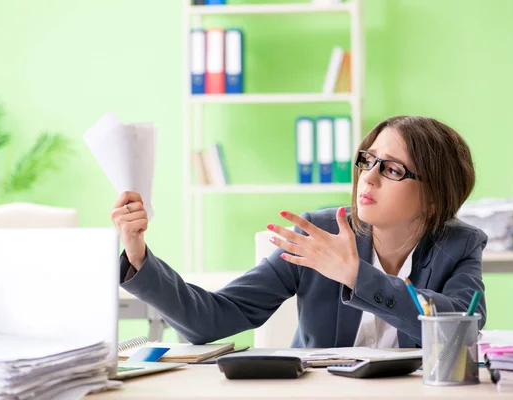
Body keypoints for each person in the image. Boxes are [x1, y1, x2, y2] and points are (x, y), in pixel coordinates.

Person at [111, 115, 487, 348]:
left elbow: (458, 334)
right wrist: (138, 254)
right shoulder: (317, 233)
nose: (367, 176)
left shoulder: (460, 244)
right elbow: (209, 320)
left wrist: (357, 276)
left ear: (434, 199)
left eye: (392, 170)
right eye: (367, 160)